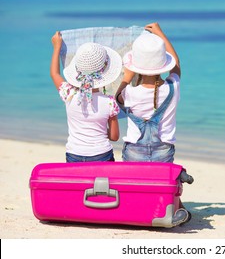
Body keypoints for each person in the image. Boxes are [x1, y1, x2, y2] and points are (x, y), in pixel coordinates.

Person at [115, 23, 190, 225]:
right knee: (163, 186)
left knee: (135, 187)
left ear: (134, 66)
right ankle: (172, 208)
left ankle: (135, 212)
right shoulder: (173, 87)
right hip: (163, 149)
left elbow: (116, 97)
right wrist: (160, 34)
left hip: (134, 150)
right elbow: (177, 66)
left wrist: (126, 77)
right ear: (162, 64)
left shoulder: (128, 93)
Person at [50, 31, 121, 162]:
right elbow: (114, 136)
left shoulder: (69, 93)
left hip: (74, 154)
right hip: (102, 154)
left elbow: (54, 73)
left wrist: (57, 47)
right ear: (105, 72)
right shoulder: (110, 102)